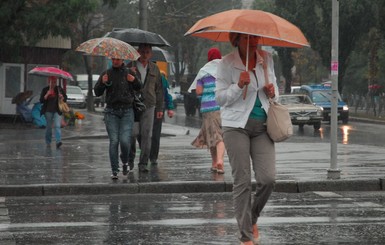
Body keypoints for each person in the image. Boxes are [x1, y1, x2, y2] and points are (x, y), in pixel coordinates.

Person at [215, 33, 278, 245]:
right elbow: (220, 98)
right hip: (236, 127)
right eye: (247, 38)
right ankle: (246, 236)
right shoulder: (226, 63)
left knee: (267, 179)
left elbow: (275, 91)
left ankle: (252, 218)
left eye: (256, 38)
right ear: (237, 40)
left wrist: (272, 91)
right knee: (242, 182)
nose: (253, 41)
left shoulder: (266, 59)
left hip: (263, 127)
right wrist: (238, 86)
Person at [94, 58, 141, 179]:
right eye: (113, 59)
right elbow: (97, 92)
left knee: (125, 141)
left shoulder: (129, 72)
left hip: (127, 111)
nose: (115, 61)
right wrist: (102, 83)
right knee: (114, 141)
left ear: (122, 60)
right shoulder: (106, 73)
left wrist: (134, 80)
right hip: (111, 112)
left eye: (118, 59)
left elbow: (139, 87)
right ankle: (114, 170)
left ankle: (125, 161)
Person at [127, 44, 164, 173]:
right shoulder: (129, 67)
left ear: (151, 54)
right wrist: (129, 74)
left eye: (147, 52)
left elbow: (159, 90)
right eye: (142, 52)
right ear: (137, 52)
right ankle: (130, 158)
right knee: (132, 134)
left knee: (147, 135)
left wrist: (160, 108)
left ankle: (143, 163)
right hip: (133, 105)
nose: (144, 55)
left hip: (149, 105)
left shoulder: (155, 69)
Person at [191, 47, 225, 174]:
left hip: (207, 108)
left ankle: (216, 161)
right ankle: (218, 161)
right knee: (221, 134)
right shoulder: (224, 70)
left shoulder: (203, 71)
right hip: (222, 106)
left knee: (212, 135)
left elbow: (198, 91)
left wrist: (207, 89)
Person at [149, 70, 175, 165]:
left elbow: (167, 94)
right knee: (144, 132)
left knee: (155, 132)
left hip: (158, 107)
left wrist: (170, 108)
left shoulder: (161, 78)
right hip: (145, 107)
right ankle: (147, 153)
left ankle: (153, 156)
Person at [39, 76, 67, 149]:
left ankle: (58, 141)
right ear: (49, 82)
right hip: (48, 111)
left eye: (54, 82)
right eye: (52, 82)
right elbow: (41, 100)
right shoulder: (45, 89)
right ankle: (48, 142)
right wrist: (47, 95)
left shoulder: (59, 89)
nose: (53, 83)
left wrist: (62, 97)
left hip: (57, 111)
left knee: (57, 125)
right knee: (49, 127)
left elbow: (65, 98)